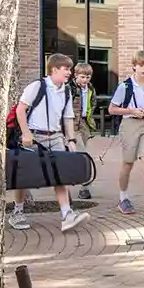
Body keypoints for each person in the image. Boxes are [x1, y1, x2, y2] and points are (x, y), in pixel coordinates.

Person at [8, 53, 89, 233]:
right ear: (54, 69)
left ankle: (67, 214)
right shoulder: (37, 86)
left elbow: (68, 117)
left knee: (60, 175)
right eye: (66, 69)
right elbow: (21, 110)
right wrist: (26, 133)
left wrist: (71, 140)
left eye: (70, 69)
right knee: (24, 176)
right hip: (34, 137)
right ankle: (17, 212)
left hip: (56, 137)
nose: (69, 73)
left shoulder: (66, 91)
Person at [105, 49, 144, 218]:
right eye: (141, 65)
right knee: (128, 163)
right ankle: (123, 198)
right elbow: (112, 109)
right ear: (134, 66)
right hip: (130, 124)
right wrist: (131, 110)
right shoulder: (125, 86)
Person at [71, 62, 98, 202]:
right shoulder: (70, 88)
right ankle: (85, 187)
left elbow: (93, 103)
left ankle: (84, 186)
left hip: (84, 123)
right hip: (72, 123)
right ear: (75, 75)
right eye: (82, 77)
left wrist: (89, 116)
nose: (85, 80)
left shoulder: (90, 88)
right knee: (82, 154)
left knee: (84, 153)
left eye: (88, 77)